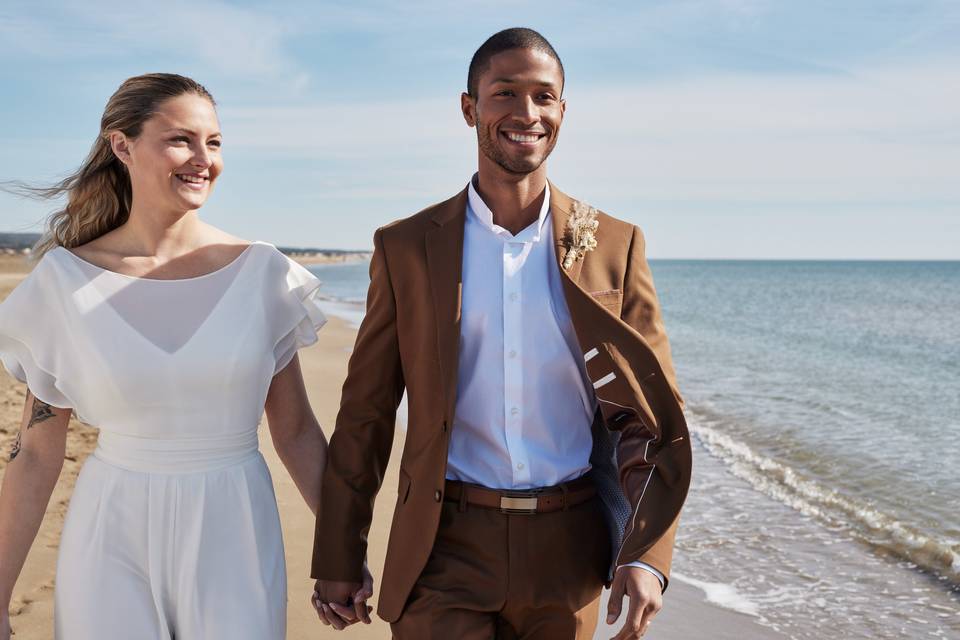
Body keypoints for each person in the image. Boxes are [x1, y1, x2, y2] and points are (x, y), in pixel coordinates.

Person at [312, 28, 692, 640]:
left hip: (569, 549)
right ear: (470, 108)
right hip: (443, 544)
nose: (526, 114)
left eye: (544, 97)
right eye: (505, 93)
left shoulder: (616, 246)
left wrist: (647, 552)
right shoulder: (406, 246)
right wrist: (338, 554)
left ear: (563, 112)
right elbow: (367, 411)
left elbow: (650, 420)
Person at [0, 73, 341, 639]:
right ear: (122, 145)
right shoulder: (63, 281)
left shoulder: (263, 274)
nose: (202, 158)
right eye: (181, 139)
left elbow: (298, 432)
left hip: (237, 530)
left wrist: (341, 551)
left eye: (214, 142)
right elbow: (35, 451)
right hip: (110, 532)